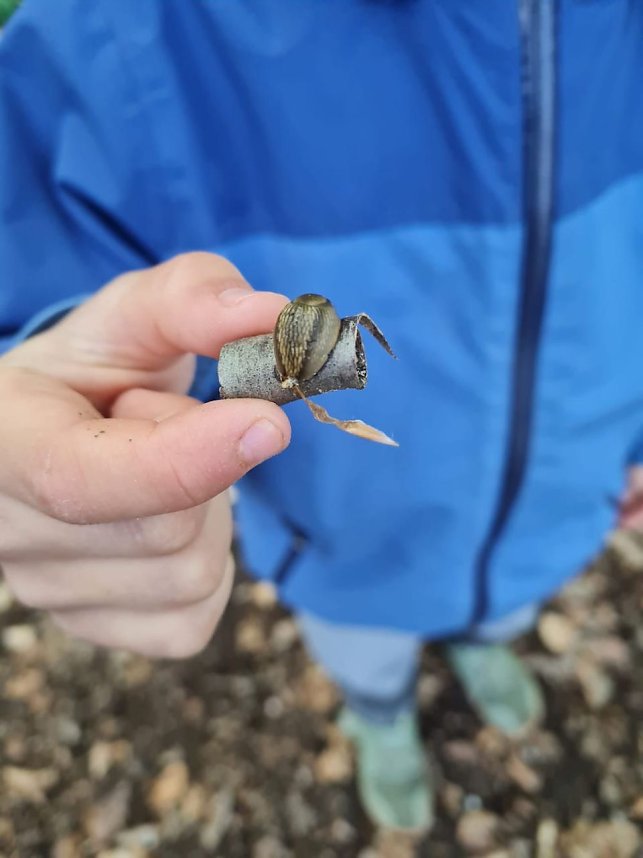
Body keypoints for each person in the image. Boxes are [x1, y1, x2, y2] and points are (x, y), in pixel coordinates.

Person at [1, 0, 642, 832]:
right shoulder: (123, 38)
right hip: (342, 544)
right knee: (363, 651)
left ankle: (479, 646)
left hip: (560, 506)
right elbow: (58, 313)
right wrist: (60, 399)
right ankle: (378, 717)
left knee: (503, 611)